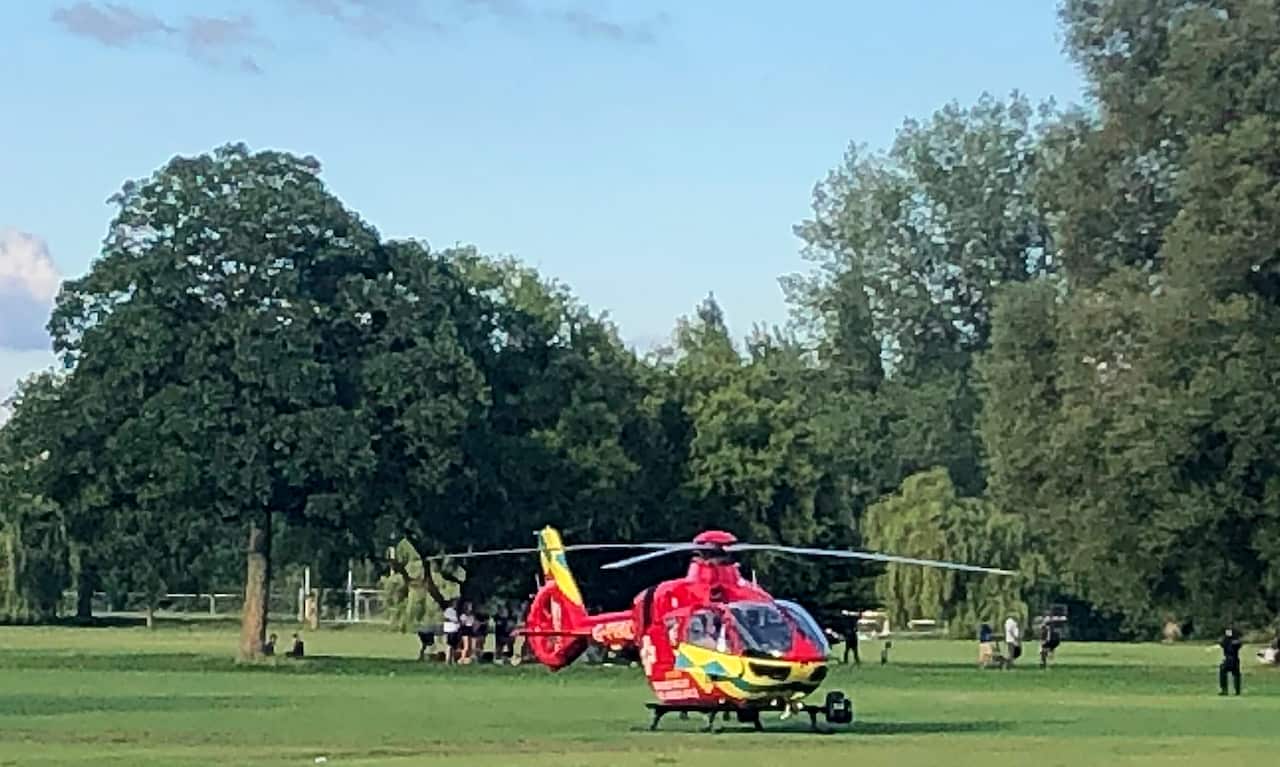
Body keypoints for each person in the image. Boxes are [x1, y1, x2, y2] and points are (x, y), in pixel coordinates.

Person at [1219, 627, 1243, 696]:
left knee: (1231, 673)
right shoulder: (1230, 640)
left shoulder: (1230, 641)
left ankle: (1225, 690)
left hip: (1231, 659)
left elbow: (1222, 644)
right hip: (1232, 659)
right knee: (1236, 674)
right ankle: (1236, 691)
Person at [442, 600, 461, 664]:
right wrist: (455, 620)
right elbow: (447, 618)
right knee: (449, 645)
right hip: (449, 630)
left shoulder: (457, 611)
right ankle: (447, 659)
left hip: (455, 630)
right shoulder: (448, 610)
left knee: (454, 646)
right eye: (455, 603)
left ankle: (452, 659)